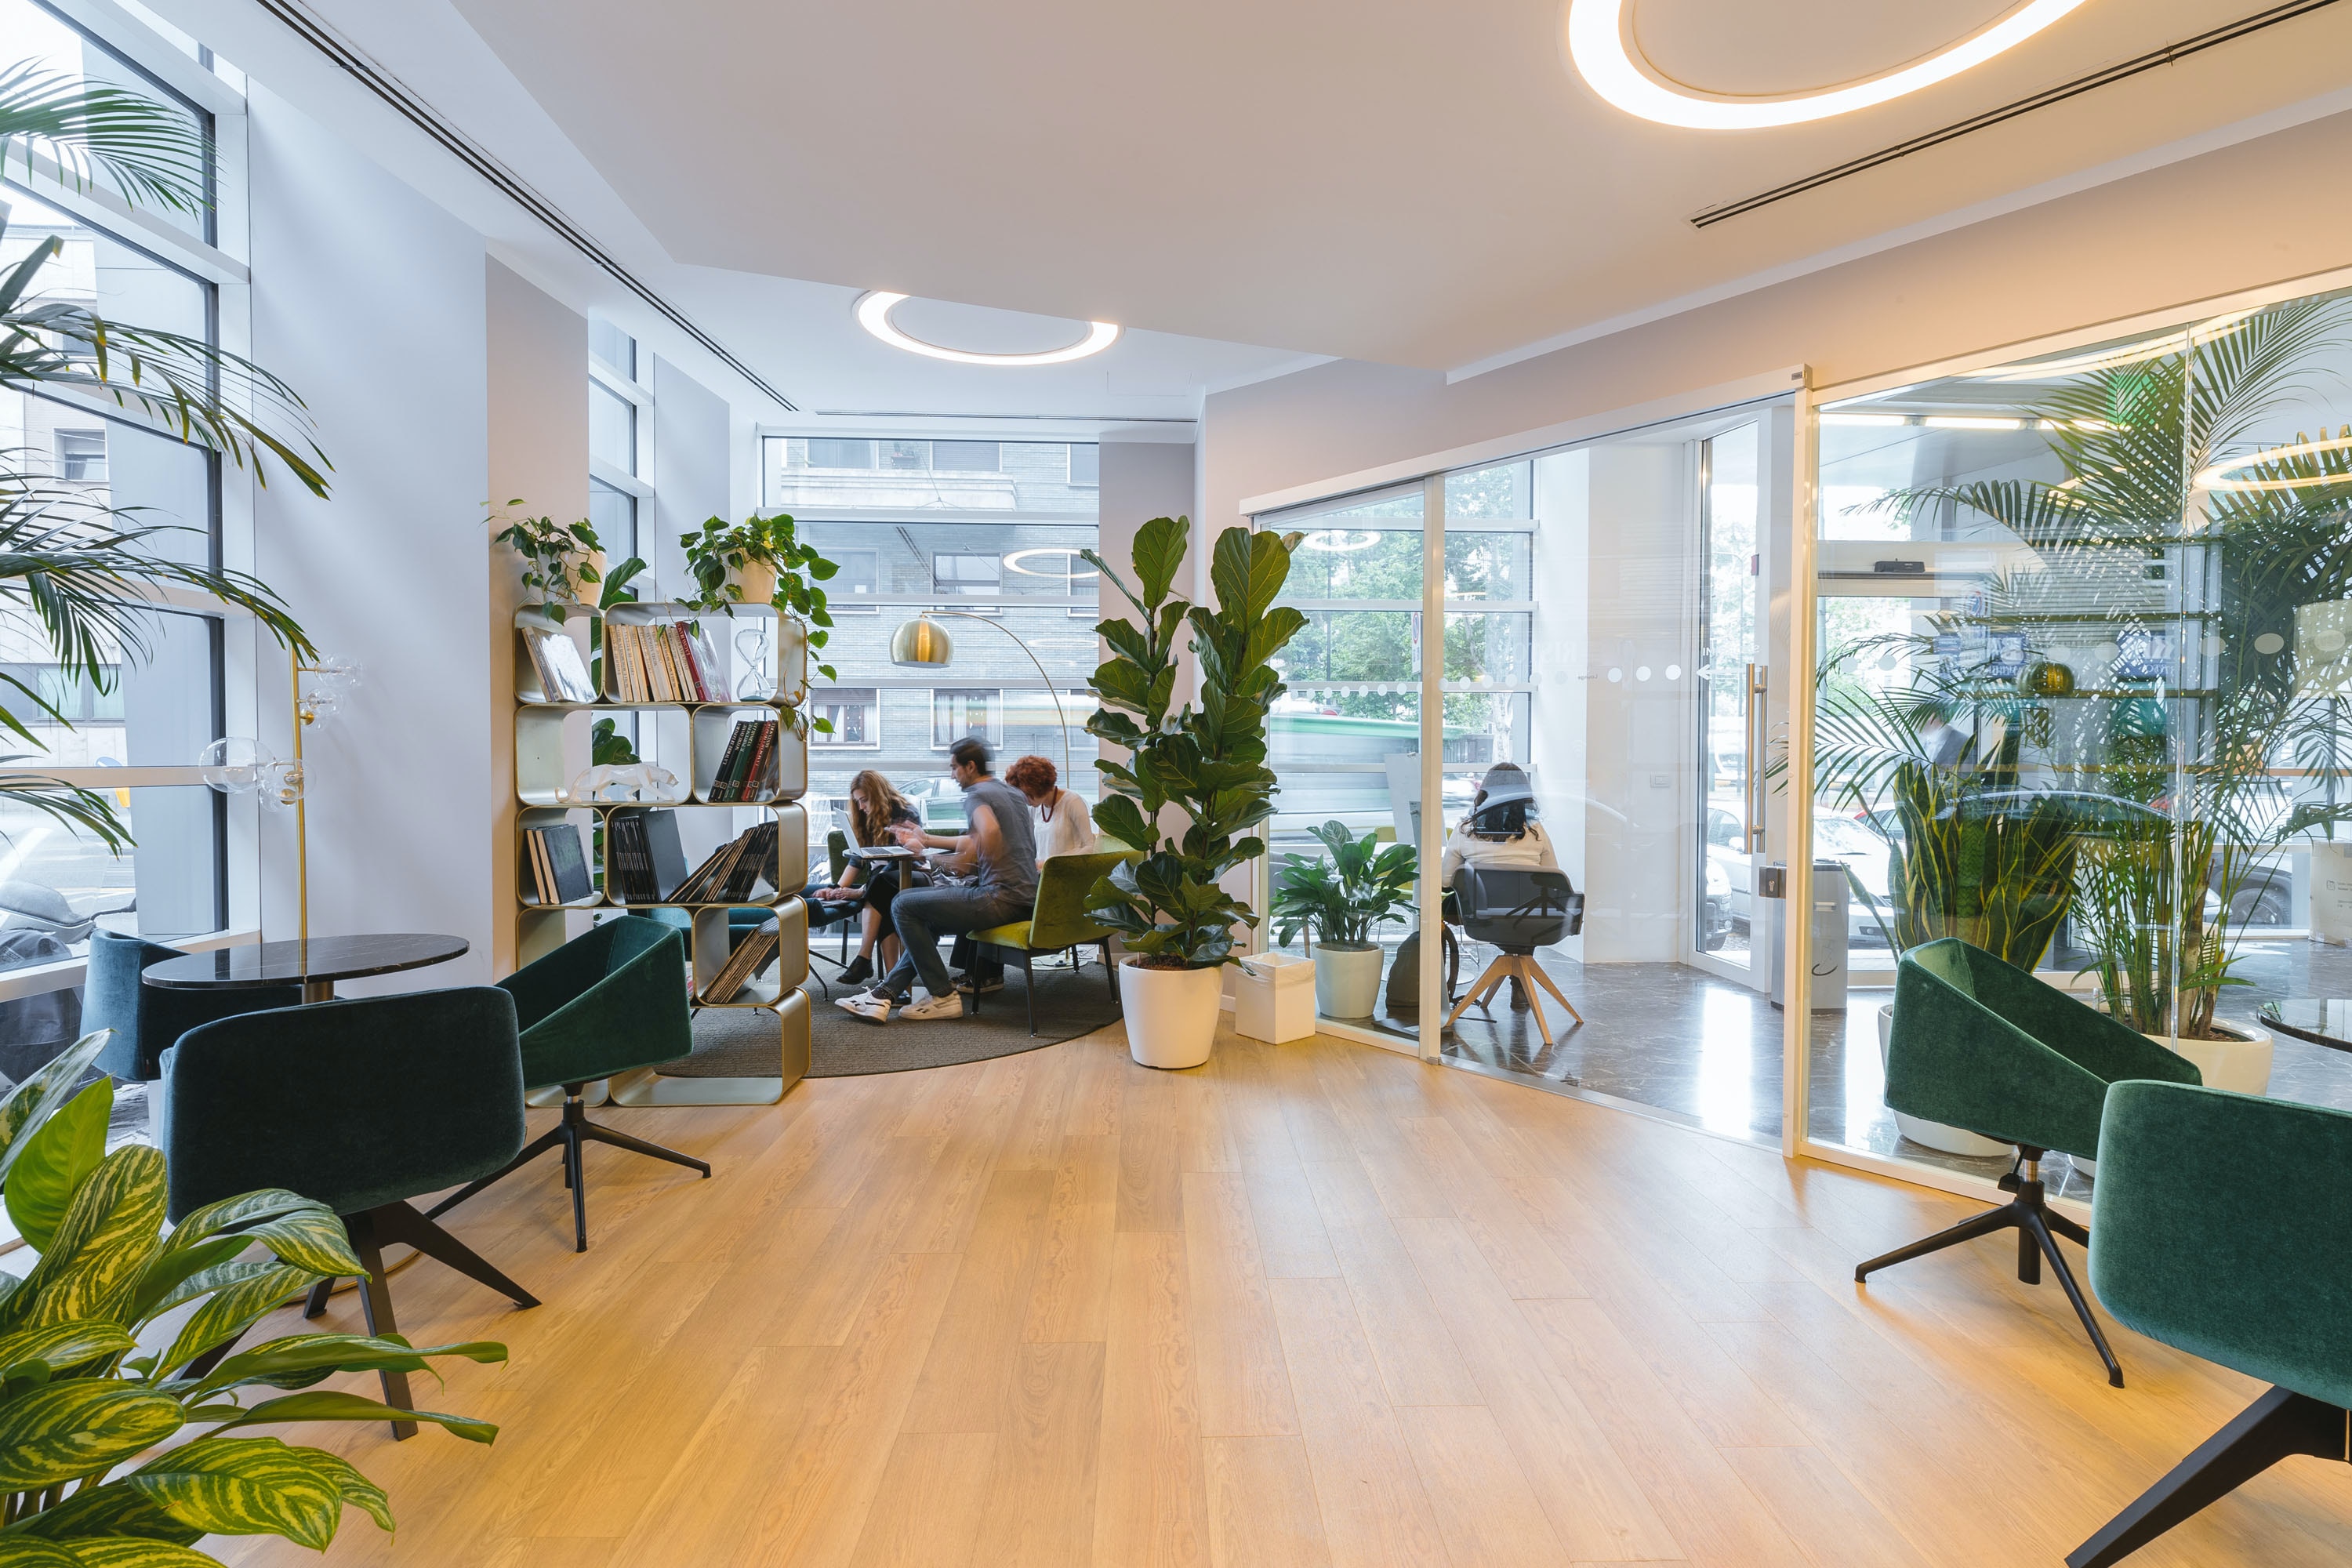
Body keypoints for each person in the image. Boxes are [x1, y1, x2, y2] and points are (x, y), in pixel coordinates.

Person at [837, 737, 1039, 1023]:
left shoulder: (977, 796)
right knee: (923, 918)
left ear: (970, 766)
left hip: (997, 898)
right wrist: (927, 840)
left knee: (902, 904)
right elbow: (978, 838)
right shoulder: (1013, 795)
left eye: (954, 768)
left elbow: (988, 835)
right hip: (1027, 899)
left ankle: (942, 996)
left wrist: (947, 861)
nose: (952, 775)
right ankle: (884, 994)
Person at [1439, 761, 1559, 1010]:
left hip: (1478, 917)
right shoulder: (1536, 831)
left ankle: (1438, 986)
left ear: (1484, 792)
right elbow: (1553, 877)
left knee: (1438, 913)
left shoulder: (1466, 829)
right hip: (1528, 920)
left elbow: (1445, 881)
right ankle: (1519, 985)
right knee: (1528, 902)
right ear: (1524, 796)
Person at [808, 770, 921, 986]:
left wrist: (860, 892)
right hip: (881, 884)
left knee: (880, 887)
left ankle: (864, 958)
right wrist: (836, 889)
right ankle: (893, 982)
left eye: (865, 800)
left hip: (912, 877)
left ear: (878, 795)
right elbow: (857, 860)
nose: (861, 807)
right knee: (884, 900)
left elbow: (900, 862)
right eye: (858, 801)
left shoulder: (905, 813)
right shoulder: (865, 818)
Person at [1006, 753, 1096, 862]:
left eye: (1028, 795)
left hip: (1068, 871)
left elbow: (1090, 846)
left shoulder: (1072, 802)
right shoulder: (1035, 807)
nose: (1026, 800)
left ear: (1041, 787)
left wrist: (1052, 863)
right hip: (1043, 873)